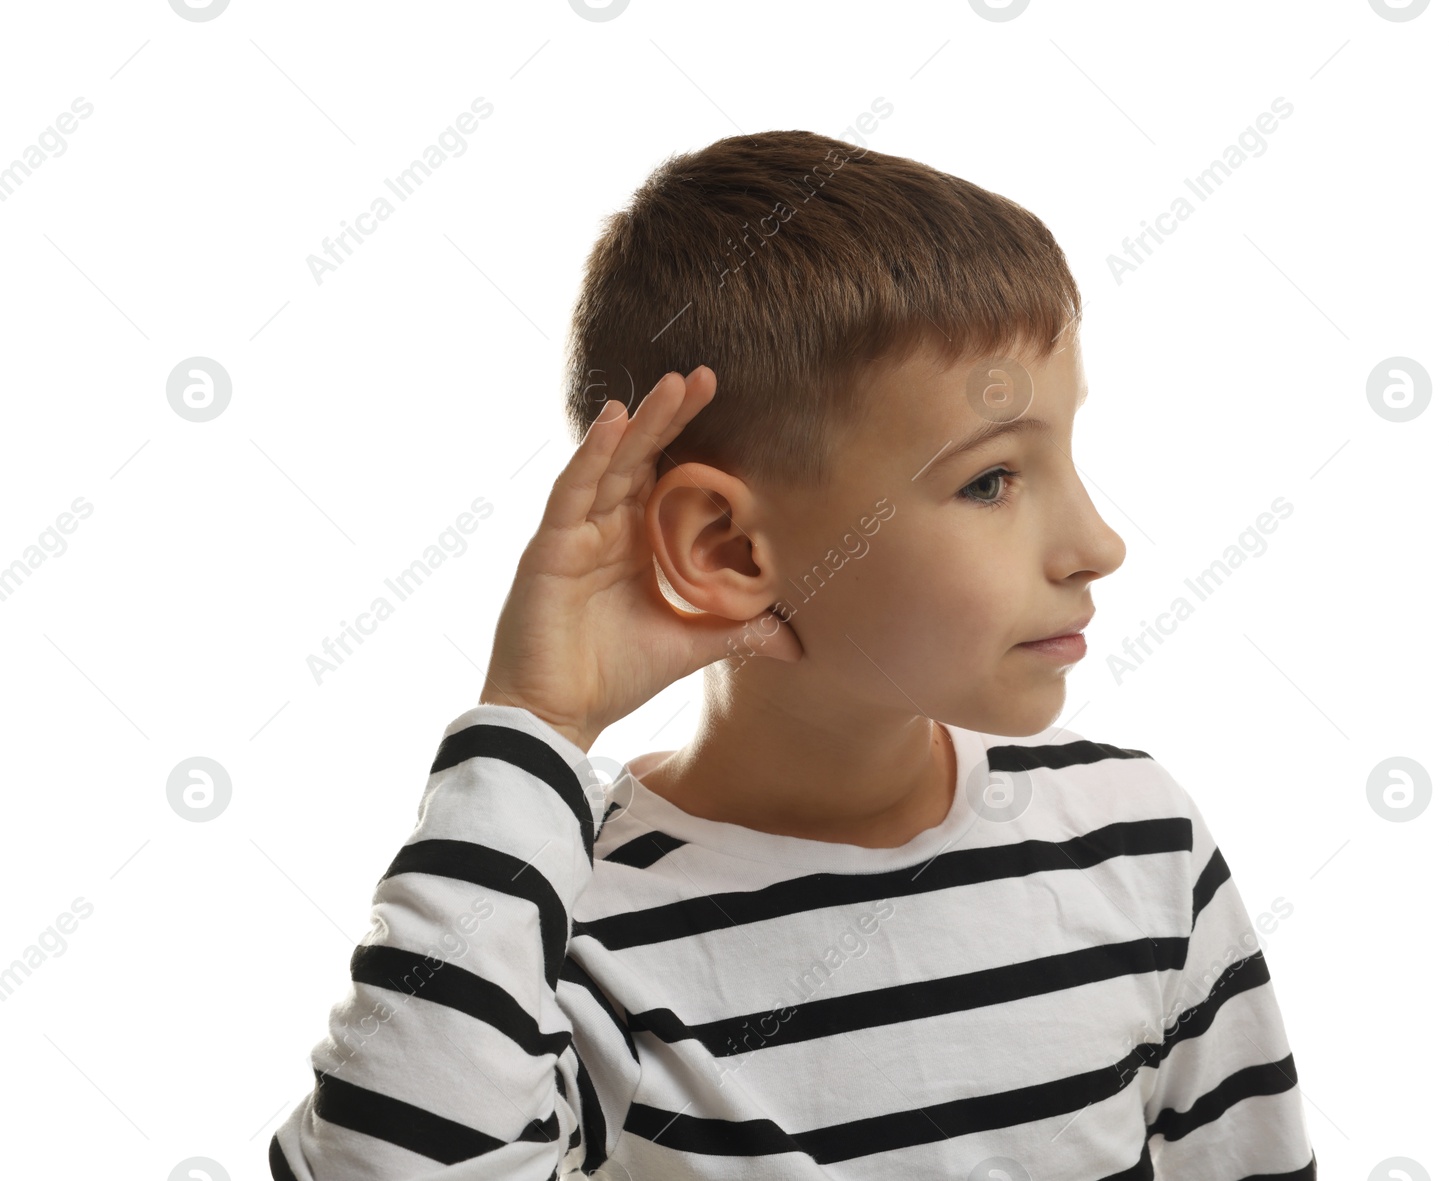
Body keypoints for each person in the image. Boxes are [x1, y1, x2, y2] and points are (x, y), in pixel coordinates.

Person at [268, 129, 1317, 1179]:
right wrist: (534, 718)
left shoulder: (1136, 843)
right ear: (729, 547)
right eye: (992, 480)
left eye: (1065, 454)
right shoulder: (566, 931)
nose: (1098, 544)